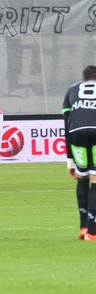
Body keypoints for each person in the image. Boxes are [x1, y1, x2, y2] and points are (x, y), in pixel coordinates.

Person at [64, 65, 96, 240]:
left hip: (77, 132)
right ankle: (93, 231)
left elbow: (66, 123)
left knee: (82, 177)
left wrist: (70, 159)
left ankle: (83, 227)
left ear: (83, 78)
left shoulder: (72, 90)